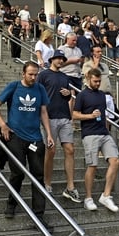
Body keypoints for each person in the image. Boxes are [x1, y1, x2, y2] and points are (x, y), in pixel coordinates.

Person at [0, 62, 54, 230]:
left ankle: (39, 216)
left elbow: (43, 112)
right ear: (23, 73)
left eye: (36, 74)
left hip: (35, 138)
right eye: (30, 74)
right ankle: (11, 204)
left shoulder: (40, 89)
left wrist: (48, 133)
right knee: (18, 172)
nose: (33, 77)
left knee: (38, 176)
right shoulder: (14, 86)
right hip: (15, 136)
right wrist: (3, 125)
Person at [73, 68, 119, 212]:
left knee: (115, 160)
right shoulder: (82, 95)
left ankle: (106, 195)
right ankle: (88, 197)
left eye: (99, 81)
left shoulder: (102, 95)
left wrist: (106, 127)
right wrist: (90, 116)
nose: (97, 83)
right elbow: (75, 115)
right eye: (95, 81)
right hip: (89, 134)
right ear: (88, 79)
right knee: (92, 165)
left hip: (103, 132)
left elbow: (104, 114)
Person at [37, 50, 81, 202]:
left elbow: (69, 95)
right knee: (51, 151)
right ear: (52, 59)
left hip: (64, 116)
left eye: (62, 59)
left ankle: (70, 187)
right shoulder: (43, 75)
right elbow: (37, 93)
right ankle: (47, 183)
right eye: (58, 58)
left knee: (70, 149)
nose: (61, 61)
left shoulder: (64, 77)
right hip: (49, 116)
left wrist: (68, 94)